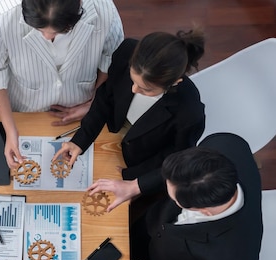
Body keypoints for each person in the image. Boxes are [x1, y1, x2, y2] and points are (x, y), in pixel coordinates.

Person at [53, 29, 205, 211]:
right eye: (133, 80)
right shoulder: (126, 51)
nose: (133, 90)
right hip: (115, 129)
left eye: (146, 89)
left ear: (174, 83)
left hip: (145, 158)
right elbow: (106, 96)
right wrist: (80, 140)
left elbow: (177, 159)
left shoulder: (190, 112)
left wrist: (134, 180)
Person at [0, 0, 123, 168]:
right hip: (26, 106)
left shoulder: (104, 10)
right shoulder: (3, 14)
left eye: (60, 31)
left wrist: (94, 104)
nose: (47, 37)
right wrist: (10, 130)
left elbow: (111, 59)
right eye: (39, 29)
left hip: (80, 105)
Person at [131, 132, 263, 260]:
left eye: (174, 198)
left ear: (203, 211)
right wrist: (136, 186)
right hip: (146, 224)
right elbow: (178, 171)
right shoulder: (225, 143)